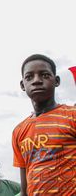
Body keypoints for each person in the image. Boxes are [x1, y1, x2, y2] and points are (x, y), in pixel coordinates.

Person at [12, 54, 76, 195]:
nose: (36, 81)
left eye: (45, 75)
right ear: (23, 85)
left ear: (56, 81)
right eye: (29, 77)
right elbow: (25, 187)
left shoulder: (72, 116)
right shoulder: (19, 131)